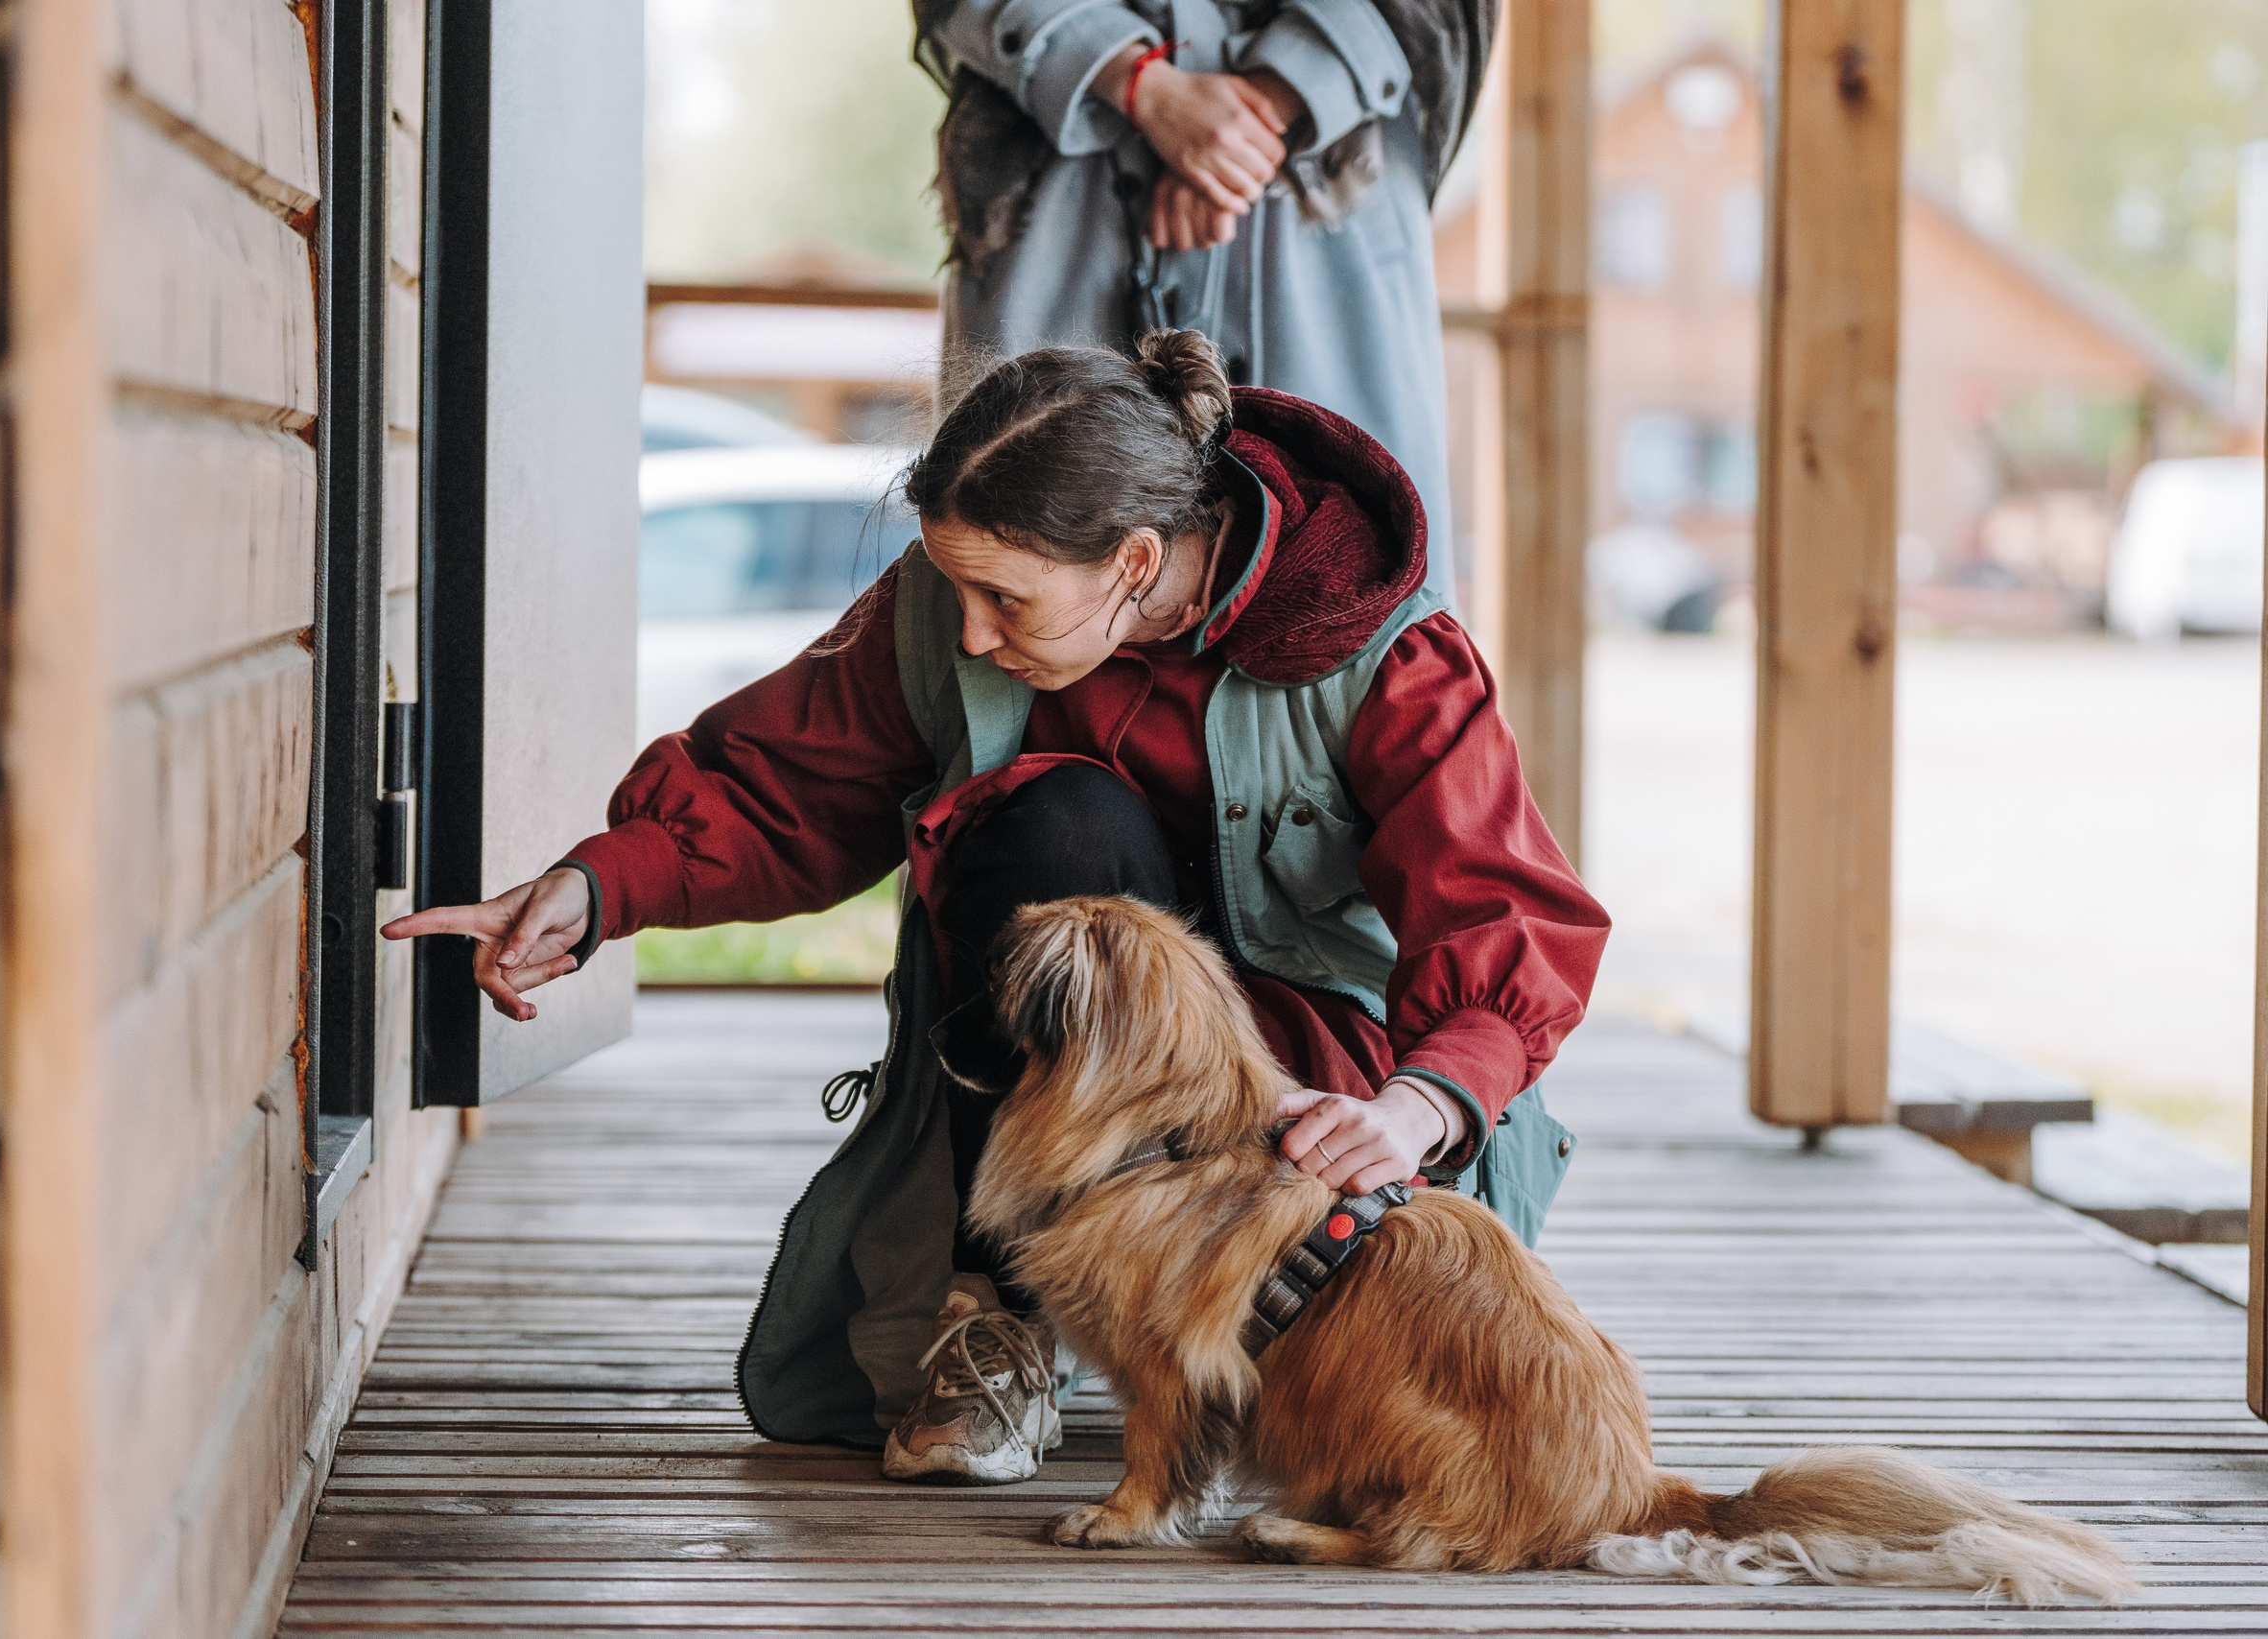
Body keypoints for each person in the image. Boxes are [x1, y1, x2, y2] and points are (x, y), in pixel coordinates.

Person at [383, 330, 1607, 1487]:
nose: (972, 631)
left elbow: (1502, 905)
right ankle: (997, 1322)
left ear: (1134, 559)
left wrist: (1419, 1103)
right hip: (1044, 1069)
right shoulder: (947, 615)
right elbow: (782, 780)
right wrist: (597, 887)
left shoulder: (1384, 647)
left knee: (1348, 1418)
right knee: (1052, 823)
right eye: (954, 586)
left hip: (1311, 1087)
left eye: (1007, 601)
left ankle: (1254, 1328)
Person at [913, 0, 1496, 594]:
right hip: (1063, 177)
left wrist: (1252, 119)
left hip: (1335, 186)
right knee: (1022, 551)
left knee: (1352, 587)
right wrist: (1145, 88)